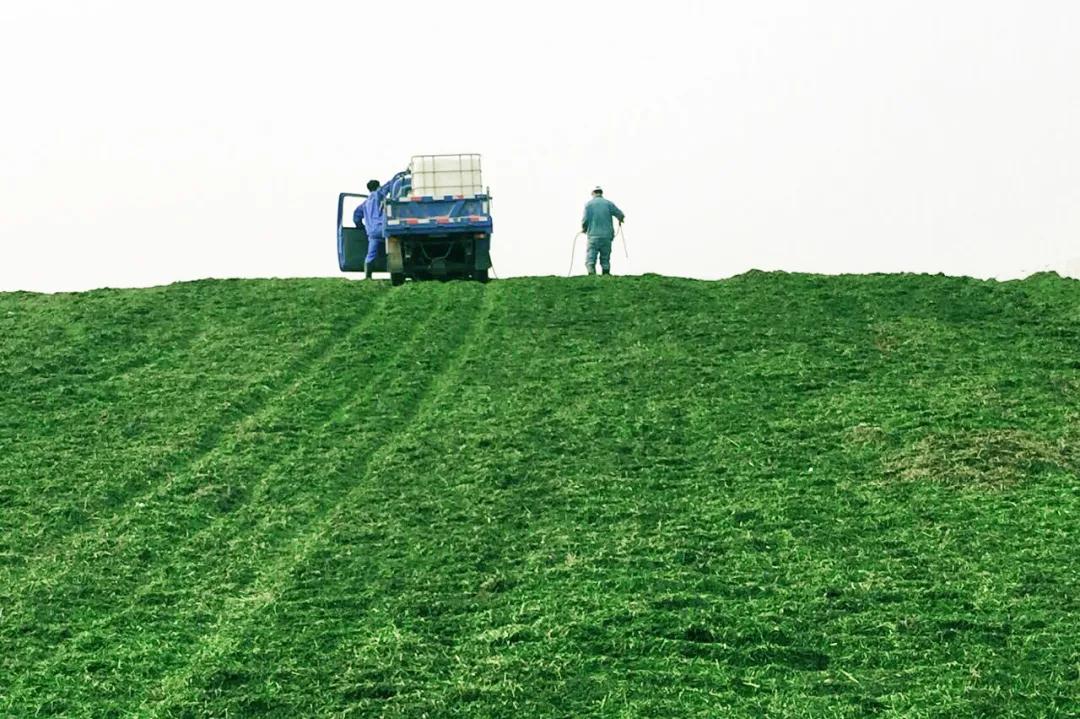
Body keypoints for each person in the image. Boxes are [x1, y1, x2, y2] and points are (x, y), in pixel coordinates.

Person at [581, 186, 625, 275]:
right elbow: (620, 214)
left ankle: (591, 274)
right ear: (601, 193)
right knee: (605, 258)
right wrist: (620, 219)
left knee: (591, 258)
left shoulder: (588, 205)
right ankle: (606, 275)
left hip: (593, 235)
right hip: (607, 236)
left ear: (593, 193)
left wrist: (584, 229)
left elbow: (585, 220)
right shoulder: (608, 203)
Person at [355, 179, 391, 279]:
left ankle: (368, 276)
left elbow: (356, 216)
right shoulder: (378, 195)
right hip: (383, 229)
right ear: (378, 186)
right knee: (392, 248)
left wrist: (360, 226)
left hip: (372, 232)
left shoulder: (365, 203)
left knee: (371, 254)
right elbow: (388, 185)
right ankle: (394, 270)